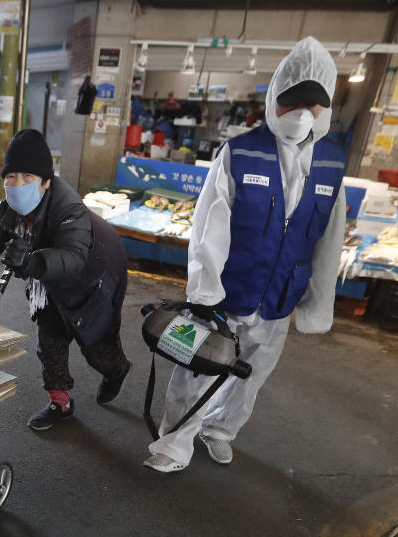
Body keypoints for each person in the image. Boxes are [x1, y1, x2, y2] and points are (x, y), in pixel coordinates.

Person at [143, 36, 347, 473]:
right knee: (194, 365)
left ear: (325, 110)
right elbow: (208, 227)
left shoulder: (332, 164)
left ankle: (220, 430)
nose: (299, 115)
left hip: (278, 298)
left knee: (250, 376)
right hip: (226, 291)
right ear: (273, 99)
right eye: (290, 103)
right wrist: (204, 291)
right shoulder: (239, 152)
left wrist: (317, 302)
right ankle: (173, 444)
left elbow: (330, 239)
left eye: (312, 107)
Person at [0, 129, 131, 431]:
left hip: (94, 280)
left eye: (27, 176)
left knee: (98, 348)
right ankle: (60, 402)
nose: (17, 184)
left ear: (46, 180)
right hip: (45, 279)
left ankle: (117, 372)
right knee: (49, 340)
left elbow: (73, 257)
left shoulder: (69, 209)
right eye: (10, 176)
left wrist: (30, 262)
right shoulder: (10, 208)